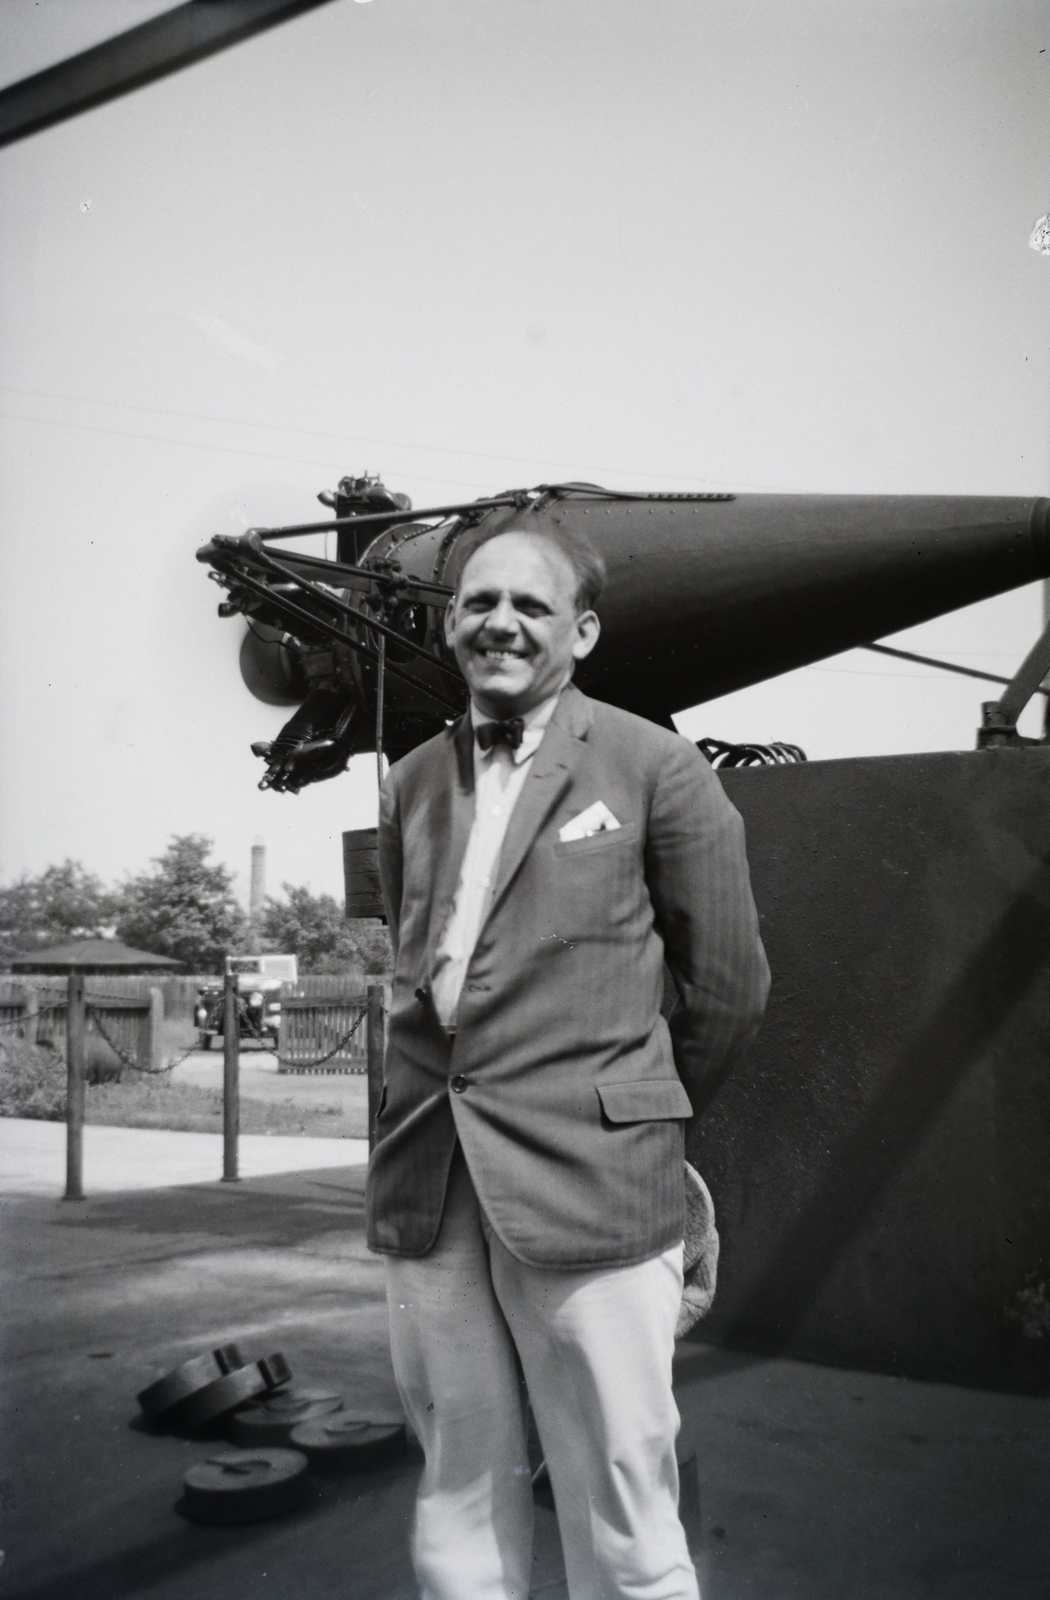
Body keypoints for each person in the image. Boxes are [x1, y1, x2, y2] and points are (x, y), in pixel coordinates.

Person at [366, 521, 770, 1600]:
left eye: (532, 606)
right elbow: (423, 975)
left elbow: (729, 989)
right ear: (451, 624)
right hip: (430, 1182)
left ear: (582, 631)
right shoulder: (409, 783)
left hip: (593, 1180)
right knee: (456, 1494)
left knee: (624, 1518)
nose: (500, 621)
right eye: (478, 601)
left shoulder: (656, 767)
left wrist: (637, 1125)